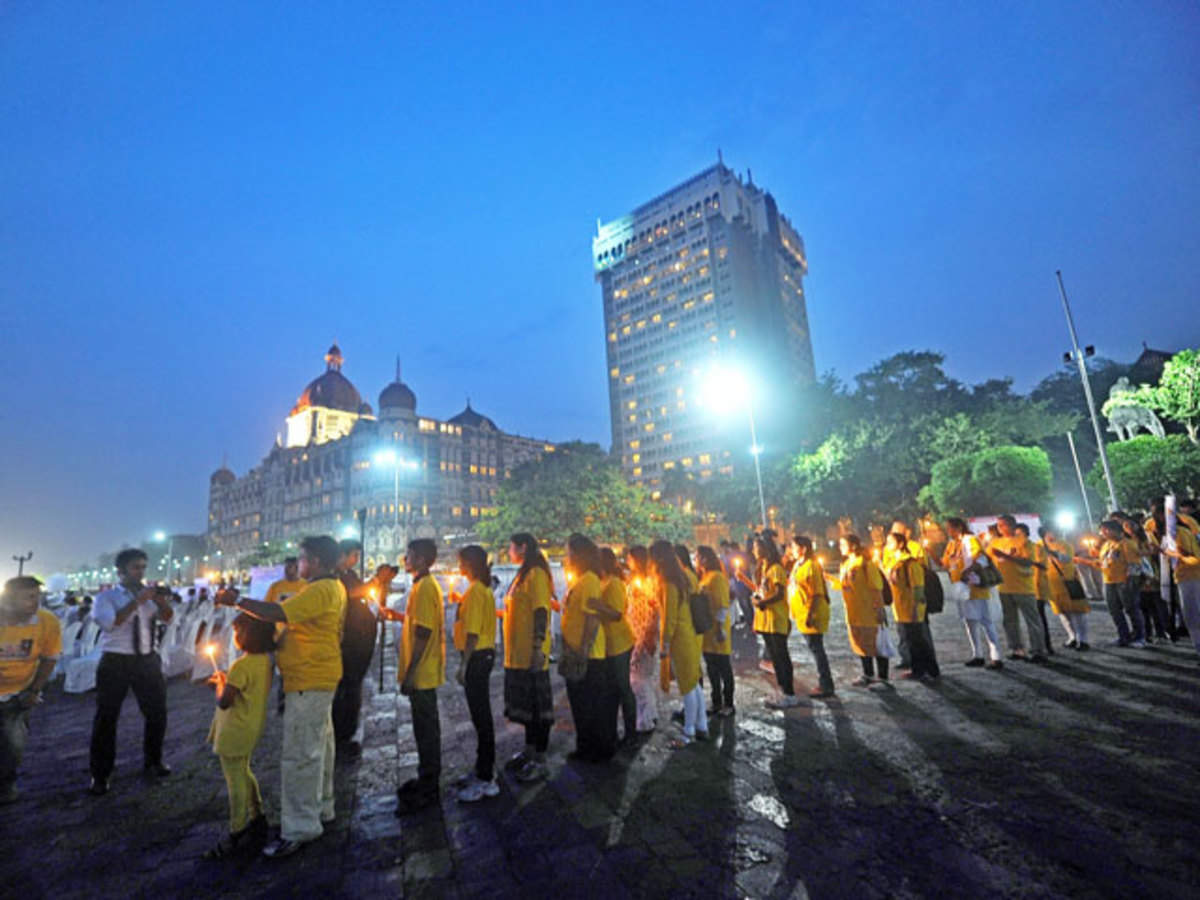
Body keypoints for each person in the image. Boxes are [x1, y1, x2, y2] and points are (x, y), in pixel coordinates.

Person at [218, 535, 346, 858]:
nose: (298, 564)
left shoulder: (320, 589)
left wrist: (238, 600)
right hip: (317, 677)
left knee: (301, 755)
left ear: (315, 561)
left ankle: (300, 828)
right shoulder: (328, 588)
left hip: (309, 679)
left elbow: (277, 613)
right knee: (319, 748)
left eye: (302, 558)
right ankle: (322, 808)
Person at [88, 548, 175, 796]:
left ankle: (153, 761)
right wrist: (137, 601)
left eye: (143, 567)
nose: (141, 572)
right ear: (121, 571)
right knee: (107, 718)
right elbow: (110, 622)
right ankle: (101, 774)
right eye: (136, 567)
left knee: (157, 712)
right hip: (116, 661)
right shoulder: (106, 598)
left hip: (147, 659)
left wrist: (160, 602)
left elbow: (168, 618)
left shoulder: (148, 596)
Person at [204, 613, 274, 858]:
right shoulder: (264, 661)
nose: (235, 636)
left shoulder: (241, 665)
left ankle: (238, 829)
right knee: (244, 771)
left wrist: (219, 685)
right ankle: (257, 815)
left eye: (239, 631)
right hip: (250, 726)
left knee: (235, 780)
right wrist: (227, 682)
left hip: (234, 730)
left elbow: (225, 702)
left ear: (252, 635)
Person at [0, 576, 61, 804]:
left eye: (37, 597)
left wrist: (34, 690)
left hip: (18, 694)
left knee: (13, 746)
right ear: (7, 599)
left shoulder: (46, 621)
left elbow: (49, 658)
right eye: (29, 598)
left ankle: (6, 785)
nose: (35, 603)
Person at [396, 538, 445, 813]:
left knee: (426, 730)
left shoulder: (426, 587)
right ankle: (427, 777)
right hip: (421, 671)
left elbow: (424, 632)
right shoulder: (420, 586)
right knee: (423, 728)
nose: (406, 559)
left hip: (423, 673)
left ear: (423, 560)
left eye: (410, 555)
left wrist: (411, 671)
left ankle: (429, 786)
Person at [502, 533, 555, 783]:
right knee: (525, 709)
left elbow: (541, 611)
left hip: (531, 654)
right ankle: (529, 751)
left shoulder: (536, 575)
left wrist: (537, 647)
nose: (508, 550)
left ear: (523, 547)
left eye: (511, 546)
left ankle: (540, 760)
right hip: (516, 656)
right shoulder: (522, 574)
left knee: (537, 710)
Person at [448, 545, 499, 802]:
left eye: (461, 562)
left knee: (481, 716)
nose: (458, 567)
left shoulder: (478, 591)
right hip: (480, 655)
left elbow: (473, 633)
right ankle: (483, 768)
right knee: (480, 715)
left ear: (469, 564)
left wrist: (463, 665)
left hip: (477, 657)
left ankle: (486, 776)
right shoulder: (478, 590)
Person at [561, 533, 613, 762]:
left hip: (588, 654)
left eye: (569, 552)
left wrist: (583, 648)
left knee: (591, 704)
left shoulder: (590, 580)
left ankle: (598, 749)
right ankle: (585, 746)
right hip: (577, 651)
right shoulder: (581, 580)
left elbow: (592, 618)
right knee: (580, 703)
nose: (566, 557)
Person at [650, 540, 706, 746]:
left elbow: (669, 617)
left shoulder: (668, 583)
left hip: (680, 638)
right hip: (690, 634)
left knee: (687, 686)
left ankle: (689, 731)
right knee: (693, 682)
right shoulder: (686, 576)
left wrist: (664, 644)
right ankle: (701, 725)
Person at [737, 534, 797, 708]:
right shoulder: (764, 568)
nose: (754, 551)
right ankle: (782, 691)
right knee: (775, 659)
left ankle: (789, 693)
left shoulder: (776, 568)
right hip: (766, 620)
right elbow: (762, 590)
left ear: (766, 548)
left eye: (757, 547)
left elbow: (778, 593)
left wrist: (761, 602)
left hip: (776, 619)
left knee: (781, 656)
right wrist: (747, 583)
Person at [332, 539, 377, 758]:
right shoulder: (334, 577)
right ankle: (340, 738)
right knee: (345, 692)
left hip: (357, 643)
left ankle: (347, 734)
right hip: (346, 643)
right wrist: (377, 581)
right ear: (343, 555)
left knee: (352, 690)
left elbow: (359, 591)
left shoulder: (349, 574)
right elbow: (352, 593)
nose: (356, 560)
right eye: (354, 555)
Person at [942, 519, 1003, 669]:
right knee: (969, 622)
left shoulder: (970, 540)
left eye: (949, 528)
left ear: (959, 527)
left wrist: (968, 571)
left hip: (975, 586)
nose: (947, 531)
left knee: (985, 621)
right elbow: (945, 563)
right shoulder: (952, 544)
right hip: (961, 588)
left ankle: (996, 656)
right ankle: (977, 654)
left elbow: (981, 559)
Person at [831, 535, 890, 687]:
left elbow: (876, 587)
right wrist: (831, 580)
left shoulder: (866, 564)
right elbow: (848, 585)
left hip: (868, 611)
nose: (840, 547)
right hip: (853, 611)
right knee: (861, 644)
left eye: (843, 544)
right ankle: (868, 673)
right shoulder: (846, 564)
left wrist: (879, 608)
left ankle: (883, 677)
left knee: (875, 643)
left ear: (853, 546)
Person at [987, 515, 1048, 662]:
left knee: (1032, 619)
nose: (1001, 528)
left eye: (1004, 525)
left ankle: (1038, 650)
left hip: (1023, 587)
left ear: (1013, 525)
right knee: (1010, 620)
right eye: (999, 525)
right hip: (1004, 587)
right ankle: (1017, 649)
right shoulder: (995, 542)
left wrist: (1006, 556)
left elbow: (1028, 562)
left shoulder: (1025, 542)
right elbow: (987, 558)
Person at [1076, 520, 1145, 648]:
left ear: (1113, 530)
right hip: (1109, 581)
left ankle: (1140, 637)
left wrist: (1129, 582)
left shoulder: (1128, 544)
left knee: (1131, 609)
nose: (1102, 533)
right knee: (1114, 611)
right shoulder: (1107, 545)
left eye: (1104, 530)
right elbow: (1103, 563)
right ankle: (1123, 636)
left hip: (1124, 582)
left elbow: (1134, 566)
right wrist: (1085, 561)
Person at [884, 532, 940, 681]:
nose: (887, 544)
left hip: (912, 608)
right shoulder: (893, 562)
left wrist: (917, 608)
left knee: (919, 640)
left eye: (891, 541)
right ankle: (917, 669)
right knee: (911, 641)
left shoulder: (911, 563)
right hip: (900, 608)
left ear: (901, 544)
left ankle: (931, 670)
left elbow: (918, 586)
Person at [595, 547, 637, 744]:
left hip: (619, 642)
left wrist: (596, 606)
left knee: (622, 687)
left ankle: (631, 733)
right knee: (612, 689)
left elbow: (617, 614)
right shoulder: (603, 582)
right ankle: (612, 732)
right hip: (608, 644)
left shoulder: (614, 584)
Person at [786, 537, 835, 698]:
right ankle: (825, 682)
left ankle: (826, 684)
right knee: (815, 648)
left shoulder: (811, 566)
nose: (791, 550)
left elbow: (816, 593)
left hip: (812, 613)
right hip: (802, 613)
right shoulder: (797, 565)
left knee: (817, 648)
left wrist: (810, 614)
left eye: (794, 547)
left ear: (804, 548)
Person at [623, 545, 661, 733]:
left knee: (638, 680)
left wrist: (649, 636)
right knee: (643, 678)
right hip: (634, 631)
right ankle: (650, 714)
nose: (628, 562)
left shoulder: (650, 582)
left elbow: (655, 611)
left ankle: (645, 720)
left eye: (630, 558)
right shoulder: (634, 581)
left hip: (644, 634)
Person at [1037, 526, 1090, 650]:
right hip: (1052, 584)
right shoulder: (1038, 546)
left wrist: (1051, 552)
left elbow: (1066, 558)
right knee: (1062, 612)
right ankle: (1072, 637)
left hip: (1069, 581)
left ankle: (1083, 640)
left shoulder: (1065, 544)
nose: (1054, 533)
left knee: (1078, 611)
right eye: (1050, 531)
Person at [696, 546, 735, 715]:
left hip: (717, 630)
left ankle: (729, 704)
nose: (696, 560)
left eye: (698, 557)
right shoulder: (704, 578)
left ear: (705, 559)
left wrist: (720, 629)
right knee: (711, 669)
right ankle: (716, 701)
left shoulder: (717, 578)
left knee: (724, 668)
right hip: (707, 631)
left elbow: (722, 605)